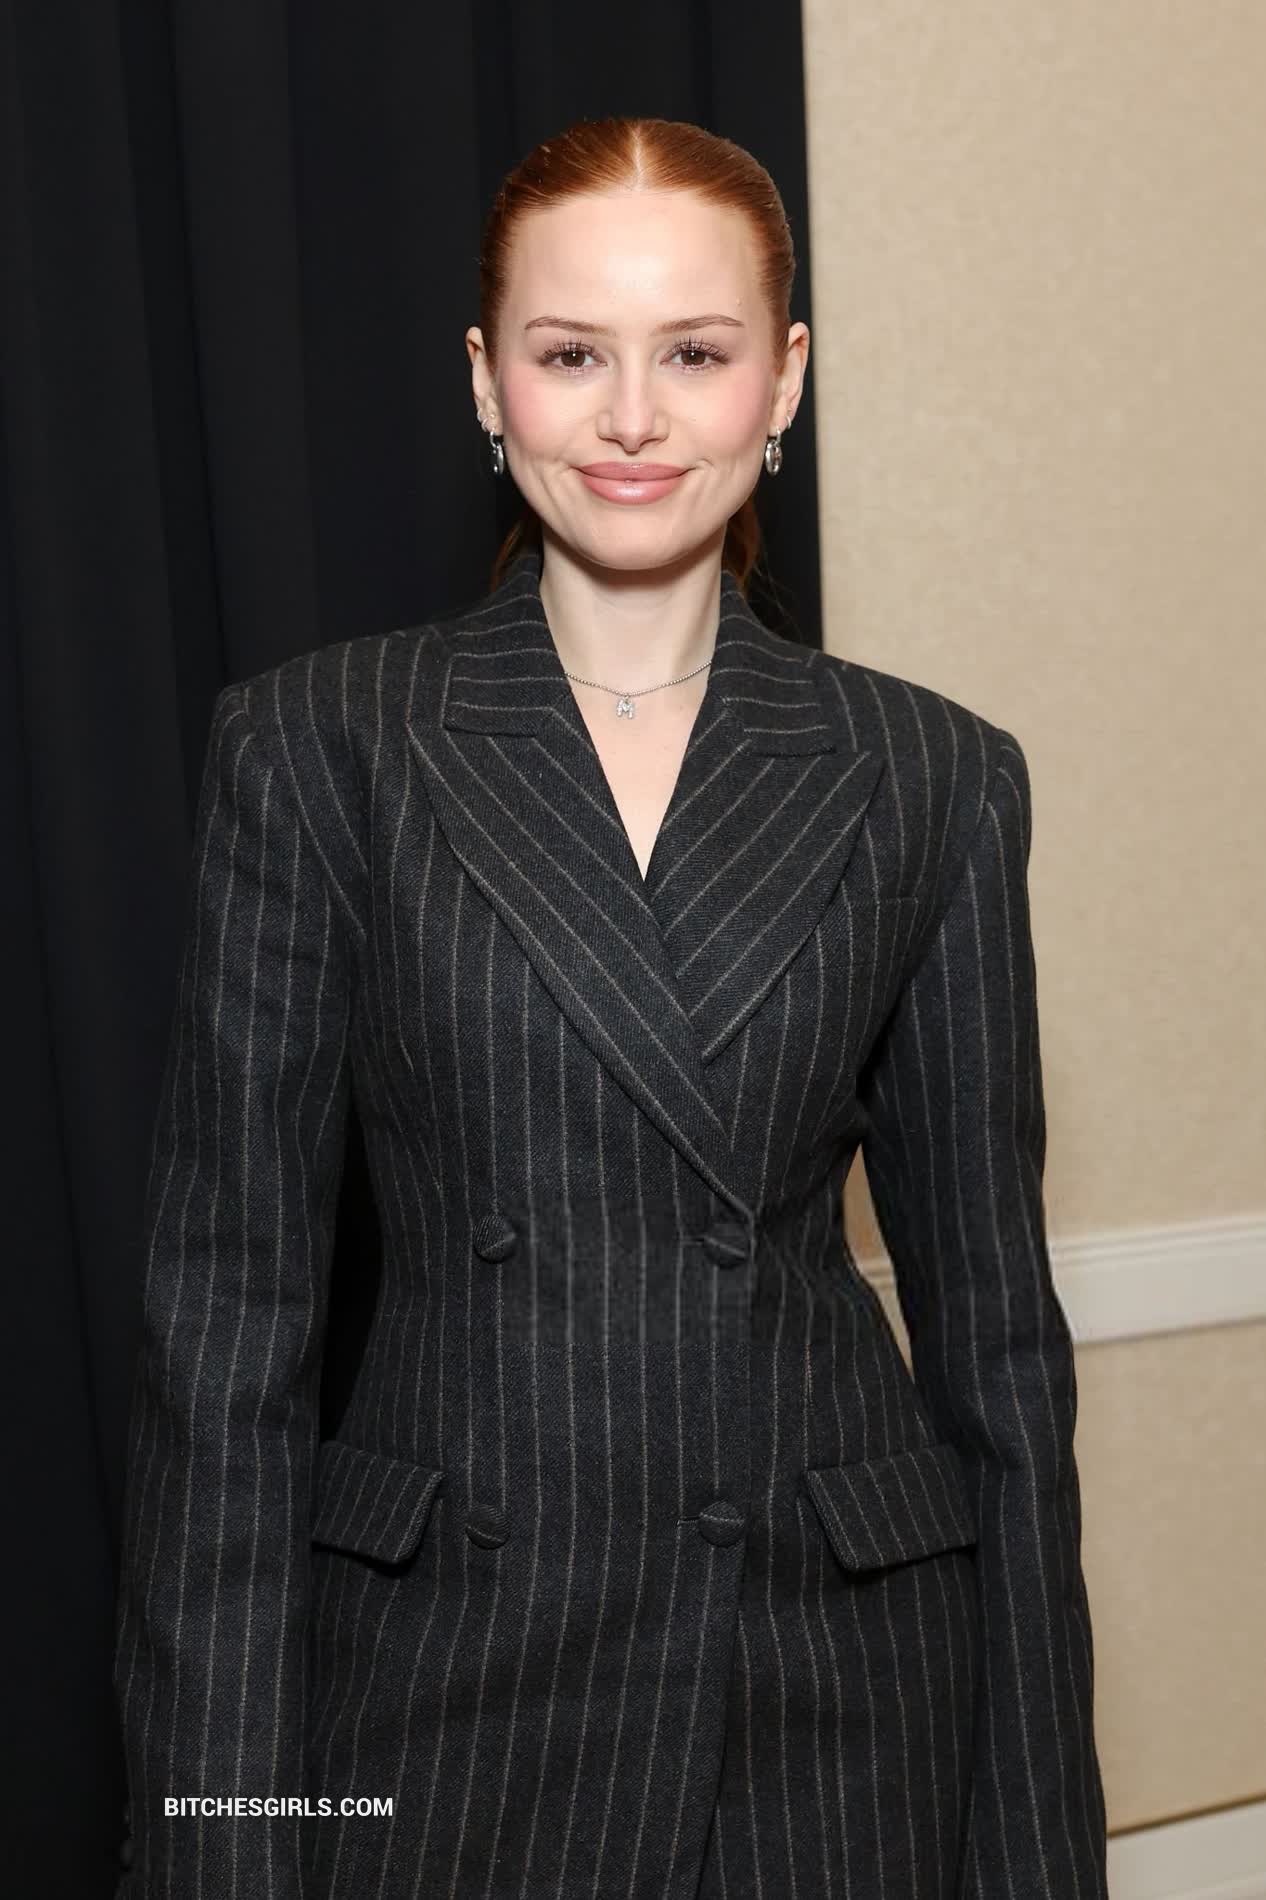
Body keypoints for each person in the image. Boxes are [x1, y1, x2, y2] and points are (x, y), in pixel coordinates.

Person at [113, 113, 1109, 1900]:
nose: (632, 418)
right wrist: (215, 1844)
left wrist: (1035, 1846)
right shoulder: (321, 748)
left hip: (835, 1682)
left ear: (781, 379)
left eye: (695, 355)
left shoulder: (930, 774)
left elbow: (1000, 1359)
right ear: (484, 380)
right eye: (572, 354)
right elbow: (226, 1348)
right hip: (445, 1680)